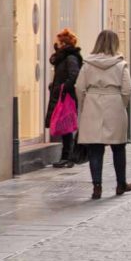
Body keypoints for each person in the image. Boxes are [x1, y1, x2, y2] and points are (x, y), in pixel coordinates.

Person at [75, 30, 131, 200]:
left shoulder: (87, 64)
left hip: (93, 103)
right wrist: (120, 104)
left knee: (95, 149)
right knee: (118, 147)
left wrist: (85, 105)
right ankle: (121, 183)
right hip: (114, 103)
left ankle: (97, 187)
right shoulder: (120, 64)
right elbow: (127, 89)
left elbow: (79, 88)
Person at [46, 28, 83, 168]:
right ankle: (66, 156)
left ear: (63, 43)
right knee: (64, 125)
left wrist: (63, 87)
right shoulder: (63, 57)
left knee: (65, 125)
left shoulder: (70, 58)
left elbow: (74, 75)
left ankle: (67, 156)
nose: (56, 44)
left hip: (66, 96)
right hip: (61, 94)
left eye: (58, 42)